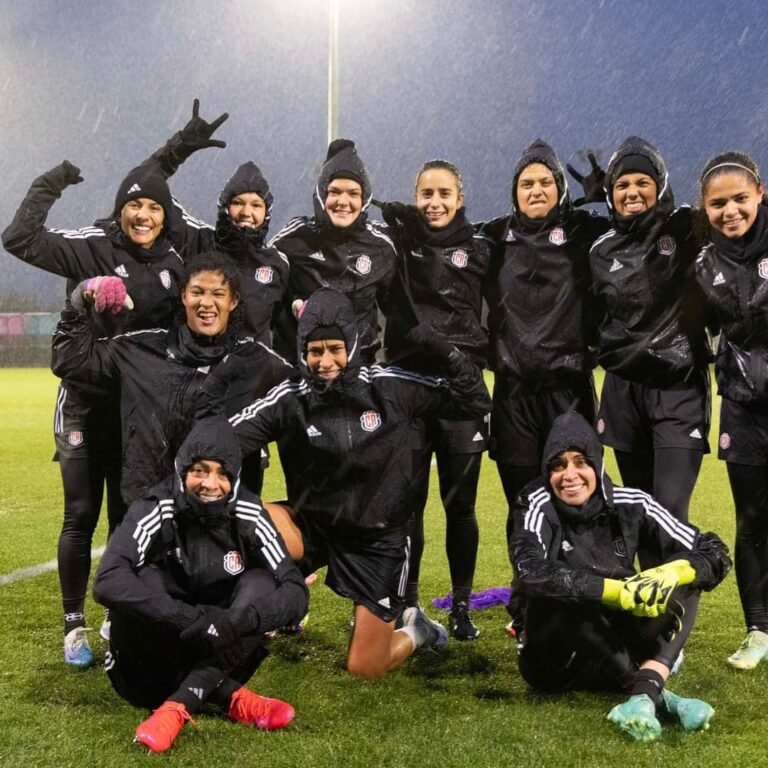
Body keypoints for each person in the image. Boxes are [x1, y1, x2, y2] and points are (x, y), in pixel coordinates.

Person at [229, 288, 491, 678]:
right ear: (303, 351)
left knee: (365, 667)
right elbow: (225, 439)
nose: (325, 361)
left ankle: (418, 631)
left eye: (335, 348)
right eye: (314, 351)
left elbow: (475, 402)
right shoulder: (291, 396)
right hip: (315, 525)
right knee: (245, 519)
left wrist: (444, 351)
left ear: (351, 345)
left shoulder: (391, 386)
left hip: (378, 540)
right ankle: (261, 610)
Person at [2, 159, 184, 667]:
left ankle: (117, 612)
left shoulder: (176, 262)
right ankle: (73, 625)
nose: (143, 214)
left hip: (136, 414)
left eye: (154, 207)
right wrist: (48, 182)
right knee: (81, 515)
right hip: (82, 404)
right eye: (134, 204)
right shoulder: (92, 247)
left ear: (167, 216)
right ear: (120, 209)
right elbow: (18, 237)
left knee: (128, 518)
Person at [511, 412, 731, 742]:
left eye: (580, 462)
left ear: (597, 464)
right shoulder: (535, 502)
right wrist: (613, 591)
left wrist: (671, 571)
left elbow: (713, 550)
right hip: (556, 663)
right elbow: (530, 570)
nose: (569, 475)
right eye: (557, 465)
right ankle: (652, 693)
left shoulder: (632, 502)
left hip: (618, 644)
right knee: (560, 587)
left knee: (689, 575)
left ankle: (642, 697)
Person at [93, 416, 307, 753]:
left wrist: (239, 621)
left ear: (235, 477)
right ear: (182, 470)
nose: (211, 483)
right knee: (142, 577)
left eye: (223, 473)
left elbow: (295, 591)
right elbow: (107, 580)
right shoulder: (156, 506)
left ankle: (175, 709)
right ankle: (228, 694)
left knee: (262, 583)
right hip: (145, 666)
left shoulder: (248, 511)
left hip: (219, 642)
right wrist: (188, 619)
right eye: (200, 470)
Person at [51, 251, 294, 507]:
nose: (206, 303)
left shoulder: (256, 361)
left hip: (221, 522)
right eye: (197, 292)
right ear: (183, 296)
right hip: (147, 513)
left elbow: (308, 398)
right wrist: (78, 302)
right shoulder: (142, 349)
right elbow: (70, 361)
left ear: (233, 301)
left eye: (218, 294)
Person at [374, 159, 490, 640]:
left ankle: (461, 606)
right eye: (426, 194)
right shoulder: (400, 243)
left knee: (460, 506)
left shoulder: (483, 246)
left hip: (461, 393)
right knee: (410, 506)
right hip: (410, 391)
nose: (435, 202)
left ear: (460, 199)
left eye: (444, 194)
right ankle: (409, 602)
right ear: (415, 197)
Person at [478, 139, 608, 533]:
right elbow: (444, 245)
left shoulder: (585, 231)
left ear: (561, 189)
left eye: (546, 182)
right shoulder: (495, 236)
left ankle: (579, 587)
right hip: (514, 393)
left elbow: (641, 229)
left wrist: (613, 202)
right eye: (527, 183)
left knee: (577, 498)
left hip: (568, 390)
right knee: (523, 503)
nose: (536, 190)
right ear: (515, 193)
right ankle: (529, 589)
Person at [587, 136, 711, 528]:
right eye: (621, 185)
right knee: (639, 513)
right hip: (624, 391)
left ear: (661, 184)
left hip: (678, 387)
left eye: (642, 181)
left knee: (671, 511)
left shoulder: (687, 228)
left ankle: (679, 593)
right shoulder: (599, 249)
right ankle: (653, 590)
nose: (632, 192)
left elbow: (736, 212)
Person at [695, 152, 768, 669]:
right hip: (742, 405)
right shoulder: (703, 263)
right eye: (718, 204)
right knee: (752, 520)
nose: (731, 211)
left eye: (740, 199)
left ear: (760, 194)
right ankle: (759, 630)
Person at [136, 99, 289, 346]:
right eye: (238, 202)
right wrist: (178, 149)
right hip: (195, 377)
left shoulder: (278, 264)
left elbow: (286, 331)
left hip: (252, 381)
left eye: (256, 205)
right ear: (224, 207)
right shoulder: (195, 240)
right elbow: (141, 186)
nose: (246, 211)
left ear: (266, 213)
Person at [269, 138, 397, 364]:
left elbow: (401, 313)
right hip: (298, 373)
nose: (343, 201)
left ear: (364, 198)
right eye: (334, 192)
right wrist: (294, 303)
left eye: (353, 193)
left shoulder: (382, 247)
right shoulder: (293, 239)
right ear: (321, 194)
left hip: (359, 373)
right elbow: (257, 285)